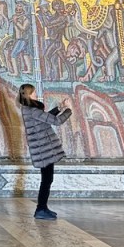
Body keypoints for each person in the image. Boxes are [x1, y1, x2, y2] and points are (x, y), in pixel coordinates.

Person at [17, 82, 72, 220]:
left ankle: (43, 207)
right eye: (34, 92)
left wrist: (59, 108)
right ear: (29, 94)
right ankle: (40, 209)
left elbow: (45, 118)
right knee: (46, 180)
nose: (36, 94)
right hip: (43, 151)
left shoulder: (30, 109)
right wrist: (69, 110)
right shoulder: (33, 110)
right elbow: (56, 121)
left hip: (43, 150)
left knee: (47, 179)